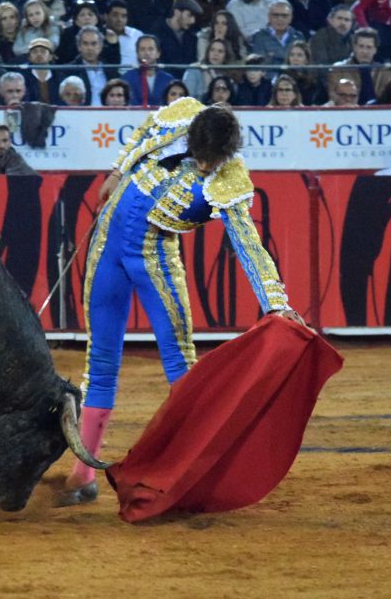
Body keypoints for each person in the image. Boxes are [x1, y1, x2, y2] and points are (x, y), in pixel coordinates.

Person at [58, 98, 305, 506]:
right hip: (107, 246)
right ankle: (82, 475)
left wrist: (276, 302)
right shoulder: (181, 115)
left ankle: (190, 474)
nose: (206, 166)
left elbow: (248, 243)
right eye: (202, 156)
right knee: (99, 361)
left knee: (181, 368)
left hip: (154, 259)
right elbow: (143, 132)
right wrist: (117, 172)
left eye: (214, 160)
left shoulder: (231, 177)